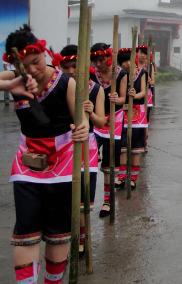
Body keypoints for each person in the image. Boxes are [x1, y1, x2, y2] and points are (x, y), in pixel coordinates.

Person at [0, 25, 89, 283]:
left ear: (44, 53)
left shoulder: (66, 83)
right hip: (27, 165)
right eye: (24, 66)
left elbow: (82, 119)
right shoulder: (15, 79)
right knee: (26, 231)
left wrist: (83, 127)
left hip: (63, 165)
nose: (32, 70)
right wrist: (10, 84)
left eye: (36, 62)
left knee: (58, 233)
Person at [54, 44, 105, 256]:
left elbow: (101, 122)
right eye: (66, 67)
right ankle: (64, 240)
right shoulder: (56, 87)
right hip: (60, 147)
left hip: (86, 148)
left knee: (83, 200)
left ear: (84, 65)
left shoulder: (96, 89)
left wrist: (91, 113)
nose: (71, 71)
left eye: (75, 66)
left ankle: (81, 241)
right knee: (62, 200)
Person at [90, 43, 127, 218]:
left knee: (109, 163)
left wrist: (116, 98)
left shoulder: (121, 74)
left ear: (109, 57)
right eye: (95, 60)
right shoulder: (91, 74)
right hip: (96, 119)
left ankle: (107, 201)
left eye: (101, 59)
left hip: (114, 119)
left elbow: (123, 98)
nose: (98, 63)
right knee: (88, 155)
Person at [117, 48, 148, 190]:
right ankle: (121, 176)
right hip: (122, 113)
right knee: (122, 147)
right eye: (124, 61)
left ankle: (133, 178)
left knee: (136, 147)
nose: (128, 63)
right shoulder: (119, 75)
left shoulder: (142, 73)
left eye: (129, 60)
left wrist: (135, 95)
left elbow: (144, 92)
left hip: (138, 113)